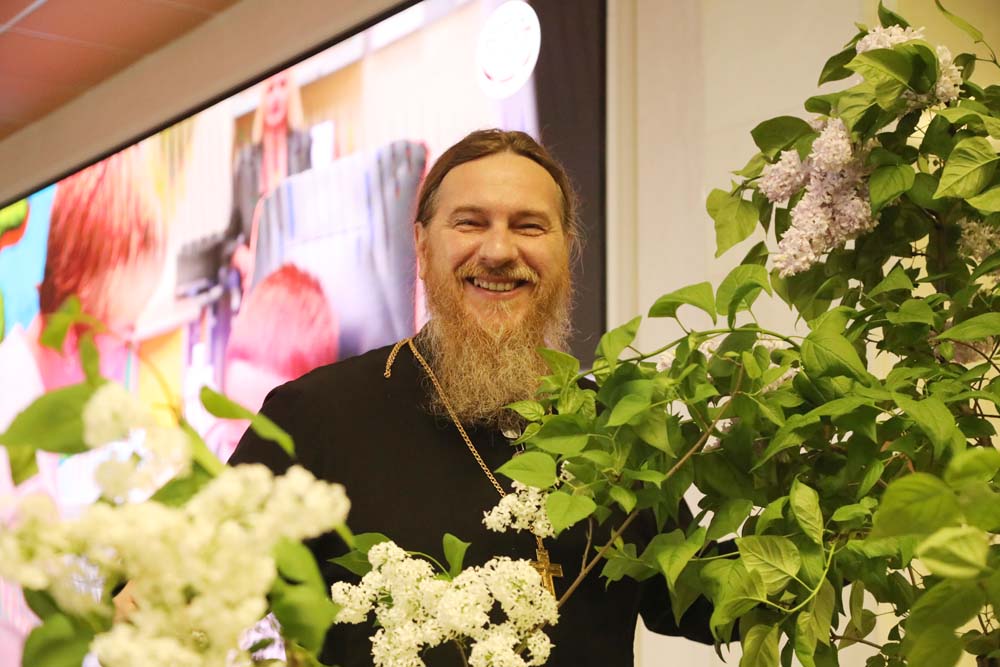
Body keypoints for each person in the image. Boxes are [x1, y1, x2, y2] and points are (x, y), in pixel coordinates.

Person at [229, 129, 714, 666]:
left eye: (529, 226)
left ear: (565, 250)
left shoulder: (615, 429)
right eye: (470, 223)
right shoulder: (316, 416)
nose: (500, 251)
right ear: (421, 248)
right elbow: (189, 592)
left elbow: (701, 598)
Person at [0, 144, 167, 663]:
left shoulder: (31, 400)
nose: (127, 358)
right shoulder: (13, 436)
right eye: (125, 334)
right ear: (79, 329)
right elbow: (32, 631)